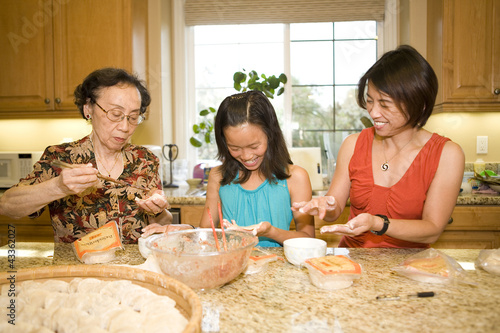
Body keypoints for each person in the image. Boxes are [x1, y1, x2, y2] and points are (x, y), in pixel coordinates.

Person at [292, 45, 465, 248]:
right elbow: (334, 211)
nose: (373, 113)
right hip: (351, 264)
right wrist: (324, 206)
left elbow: (432, 230)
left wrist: (377, 223)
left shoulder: (447, 154)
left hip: (409, 270)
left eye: (384, 104)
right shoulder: (353, 145)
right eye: (370, 101)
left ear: (420, 104)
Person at [0, 67, 186, 244]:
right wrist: (58, 186)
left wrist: (158, 212)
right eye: (115, 114)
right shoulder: (61, 157)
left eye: (133, 117)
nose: (125, 127)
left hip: (134, 268)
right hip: (78, 272)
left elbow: (161, 225)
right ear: (88, 108)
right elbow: (7, 205)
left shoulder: (145, 160)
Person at [199, 90, 314, 247]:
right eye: (235, 148)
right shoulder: (218, 176)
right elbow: (205, 233)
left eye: (254, 146)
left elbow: (308, 239)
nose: (246, 156)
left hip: (278, 269)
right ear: (224, 143)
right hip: (232, 268)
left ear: (270, 134)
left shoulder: (295, 177)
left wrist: (271, 232)